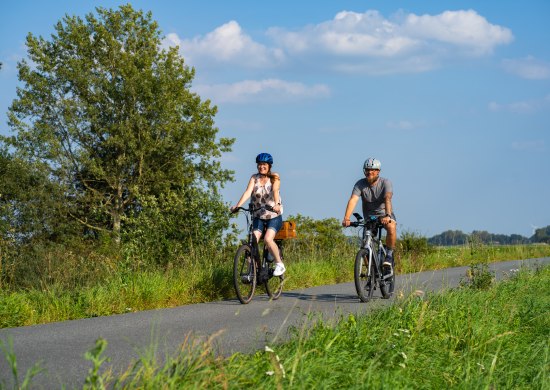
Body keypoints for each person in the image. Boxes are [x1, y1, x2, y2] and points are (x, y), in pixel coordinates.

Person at [231, 153, 286, 276]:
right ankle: (253, 271)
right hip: (258, 216)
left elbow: (276, 191)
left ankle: (279, 264)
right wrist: (238, 206)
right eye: (259, 164)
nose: (261, 167)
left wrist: (277, 204)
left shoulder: (274, 177)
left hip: (273, 216)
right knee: (252, 242)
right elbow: (248, 192)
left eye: (264, 164)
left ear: (269, 166)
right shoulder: (254, 178)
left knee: (267, 239)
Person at [342, 157, 396, 274]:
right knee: (365, 245)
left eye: (372, 170)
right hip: (369, 218)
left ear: (378, 171)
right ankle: (371, 273)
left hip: (384, 214)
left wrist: (387, 215)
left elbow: (387, 198)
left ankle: (389, 256)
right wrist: (346, 217)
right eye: (367, 169)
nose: (369, 172)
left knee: (391, 227)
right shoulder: (360, 184)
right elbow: (353, 200)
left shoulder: (385, 183)